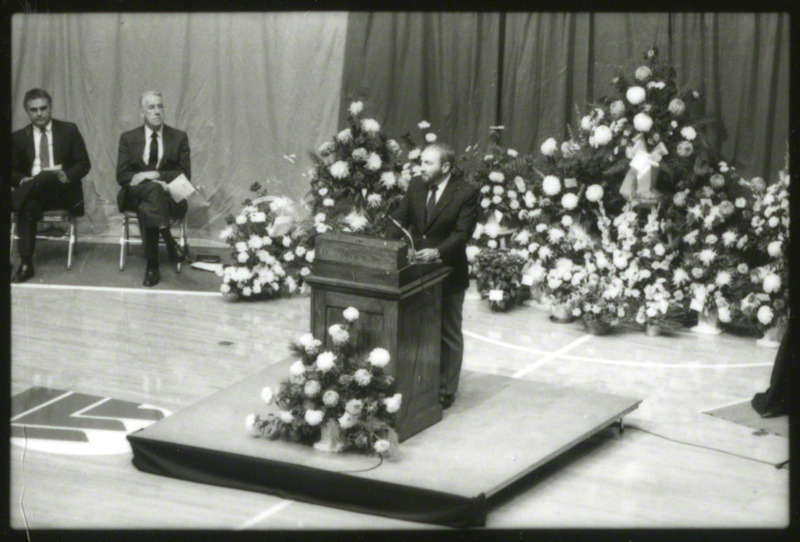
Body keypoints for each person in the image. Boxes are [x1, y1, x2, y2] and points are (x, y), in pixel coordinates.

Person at [388, 143, 479, 409]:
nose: (421, 168)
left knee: (448, 334)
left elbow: (462, 235)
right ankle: (418, 382)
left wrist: (436, 252)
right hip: (415, 273)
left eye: (428, 163)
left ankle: (445, 391)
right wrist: (387, 246)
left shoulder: (466, 192)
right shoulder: (417, 184)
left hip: (448, 271)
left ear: (446, 167)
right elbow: (398, 220)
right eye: (422, 162)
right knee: (418, 330)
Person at [11, 88, 91, 282]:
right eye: (33, 110)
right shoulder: (19, 137)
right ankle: (26, 263)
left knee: (47, 176)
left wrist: (67, 175)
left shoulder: (69, 130)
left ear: (50, 107)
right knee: (27, 205)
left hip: (62, 192)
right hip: (33, 195)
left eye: (43, 108)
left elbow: (84, 163)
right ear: (27, 112)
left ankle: (12, 201)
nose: (39, 114)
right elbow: (9, 171)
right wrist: (23, 180)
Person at [116, 90, 190, 287]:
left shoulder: (178, 137)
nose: (157, 111)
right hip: (134, 194)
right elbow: (122, 176)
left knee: (150, 200)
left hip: (167, 196)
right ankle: (168, 240)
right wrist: (151, 183)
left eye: (160, 106)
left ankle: (152, 265)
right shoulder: (128, 138)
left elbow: (185, 175)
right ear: (142, 113)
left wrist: (155, 175)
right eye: (151, 107)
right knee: (152, 192)